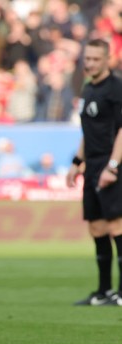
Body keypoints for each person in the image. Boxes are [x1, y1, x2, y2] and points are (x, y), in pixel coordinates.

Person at [67, 39, 122, 307]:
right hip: (92, 165)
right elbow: (88, 132)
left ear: (107, 59)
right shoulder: (88, 89)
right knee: (97, 227)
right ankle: (103, 292)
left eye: (95, 59)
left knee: (117, 225)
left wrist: (113, 166)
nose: (89, 63)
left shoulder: (117, 88)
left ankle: (121, 292)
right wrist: (77, 162)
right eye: (87, 59)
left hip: (112, 163)